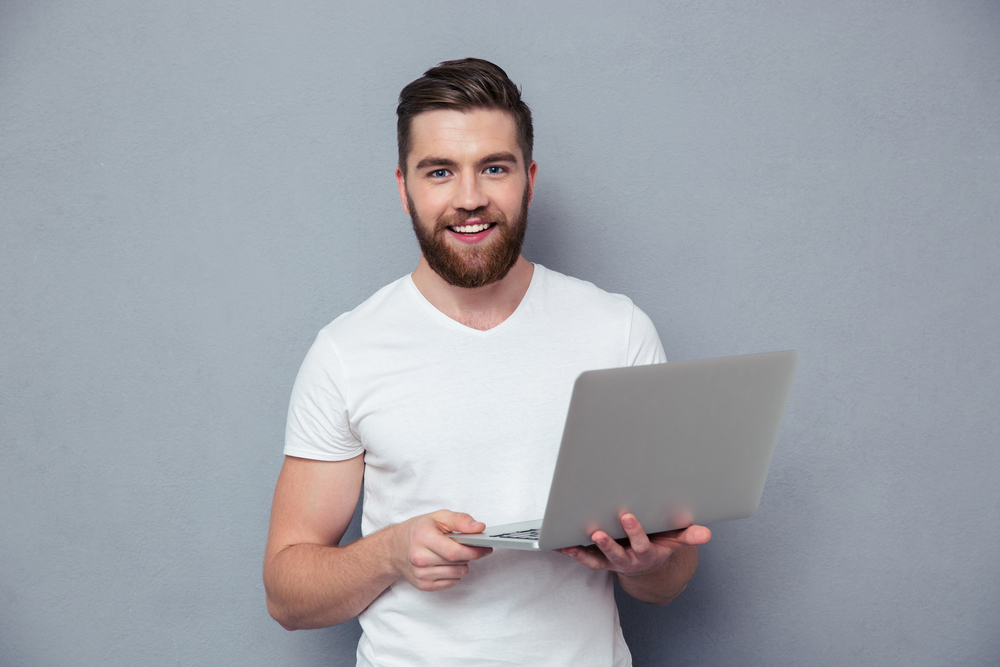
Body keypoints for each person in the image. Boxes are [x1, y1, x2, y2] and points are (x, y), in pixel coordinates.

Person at [263, 58, 711, 666]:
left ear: (528, 179)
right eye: (440, 171)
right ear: (404, 188)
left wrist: (645, 563)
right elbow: (287, 595)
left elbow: (672, 577)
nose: (469, 199)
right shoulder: (347, 351)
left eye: (493, 168)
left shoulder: (617, 331)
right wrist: (390, 553)